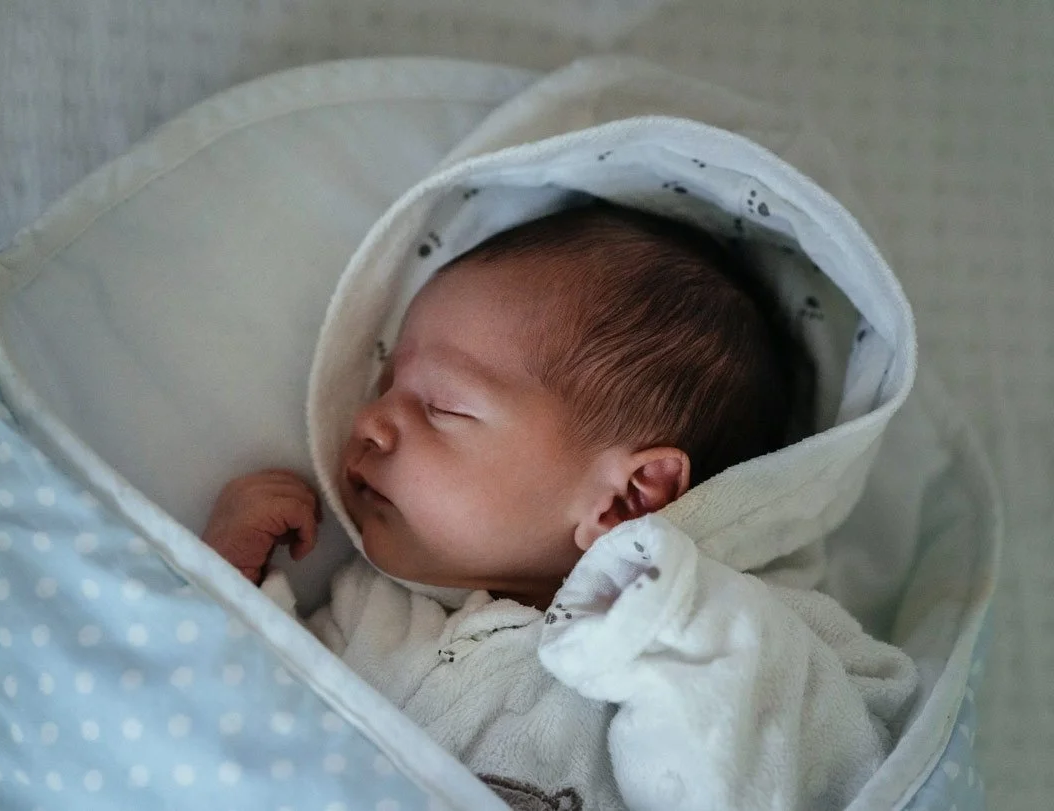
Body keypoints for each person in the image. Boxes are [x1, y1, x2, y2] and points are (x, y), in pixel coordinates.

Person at [203, 202, 917, 811]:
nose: (368, 420)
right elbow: (230, 729)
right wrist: (222, 577)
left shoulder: (747, 634)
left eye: (441, 404)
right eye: (386, 383)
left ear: (624, 499)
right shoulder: (375, 616)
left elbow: (821, 770)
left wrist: (667, 623)